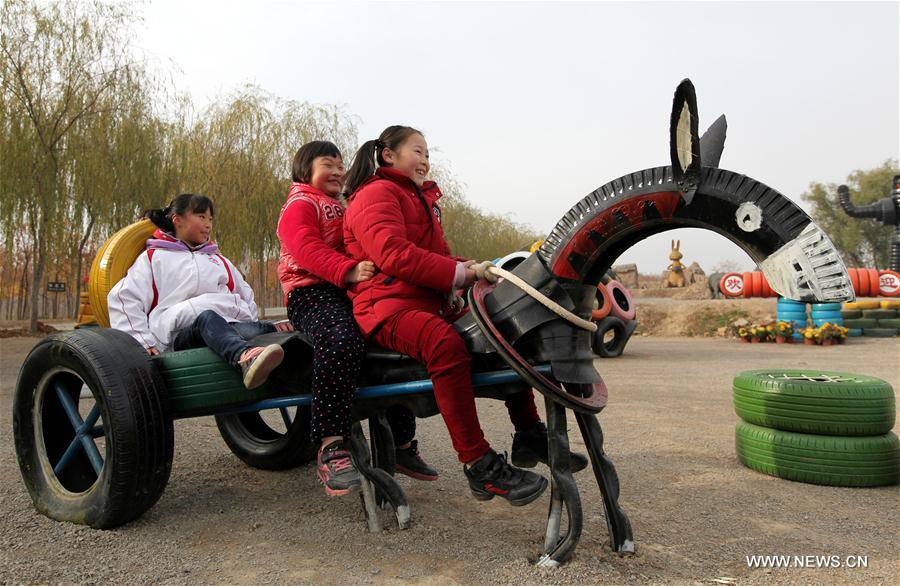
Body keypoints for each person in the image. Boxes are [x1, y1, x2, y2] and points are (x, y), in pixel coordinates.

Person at [342, 126, 587, 507]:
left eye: (428, 154)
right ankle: (478, 464)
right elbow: (393, 254)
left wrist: (473, 266)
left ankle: (528, 431)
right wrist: (459, 274)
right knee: (443, 343)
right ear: (388, 155)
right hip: (386, 307)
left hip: (423, 303)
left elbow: (435, 257)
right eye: (417, 151)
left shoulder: (418, 198)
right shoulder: (376, 194)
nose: (425, 160)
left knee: (499, 328)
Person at [277, 140, 438, 497]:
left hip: (348, 290)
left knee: (390, 338)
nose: (337, 172)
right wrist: (347, 270)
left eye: (340, 166)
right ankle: (331, 444)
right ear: (305, 169)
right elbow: (306, 248)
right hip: (311, 292)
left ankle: (401, 442)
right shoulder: (301, 204)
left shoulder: (345, 204)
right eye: (328, 165)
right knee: (341, 340)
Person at [108, 193, 288, 390]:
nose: (208, 224)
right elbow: (124, 298)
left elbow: (245, 294)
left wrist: (252, 320)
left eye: (210, 219)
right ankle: (244, 357)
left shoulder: (218, 259)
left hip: (226, 326)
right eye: (201, 217)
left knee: (265, 329)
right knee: (207, 318)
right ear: (177, 220)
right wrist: (143, 342)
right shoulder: (153, 259)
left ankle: (282, 348)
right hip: (180, 332)